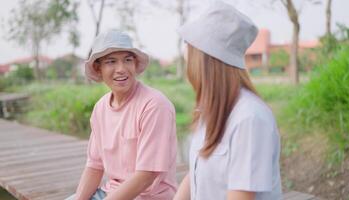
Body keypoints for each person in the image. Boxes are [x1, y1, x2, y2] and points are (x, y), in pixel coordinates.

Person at [174, 2, 282, 200]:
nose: (186, 55)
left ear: (205, 59)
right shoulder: (210, 110)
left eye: (189, 47)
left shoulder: (250, 119)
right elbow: (196, 172)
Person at [65, 29, 177, 200]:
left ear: (135, 64)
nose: (121, 69)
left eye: (127, 60)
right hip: (111, 193)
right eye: (111, 62)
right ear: (98, 68)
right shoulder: (100, 108)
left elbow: (146, 176)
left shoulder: (154, 105)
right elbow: (95, 166)